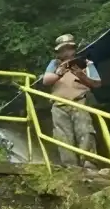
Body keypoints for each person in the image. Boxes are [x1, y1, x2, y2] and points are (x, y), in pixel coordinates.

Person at [42, 33, 102, 167]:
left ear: (74, 49)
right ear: (58, 52)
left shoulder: (85, 63)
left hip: (79, 102)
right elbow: (46, 81)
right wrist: (60, 72)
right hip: (58, 105)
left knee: (85, 132)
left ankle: (89, 163)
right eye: (63, 49)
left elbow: (97, 83)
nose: (67, 52)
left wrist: (81, 75)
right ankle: (70, 167)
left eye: (69, 48)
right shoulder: (54, 64)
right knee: (62, 137)